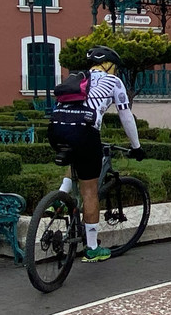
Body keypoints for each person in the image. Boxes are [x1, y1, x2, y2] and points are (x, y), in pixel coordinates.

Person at [48, 45, 146, 262]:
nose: (117, 72)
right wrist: (137, 146)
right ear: (108, 64)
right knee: (90, 190)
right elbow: (126, 116)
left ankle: (60, 197)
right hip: (84, 132)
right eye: (116, 68)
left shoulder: (76, 78)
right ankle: (91, 249)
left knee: (76, 157)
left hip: (55, 128)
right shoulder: (113, 82)